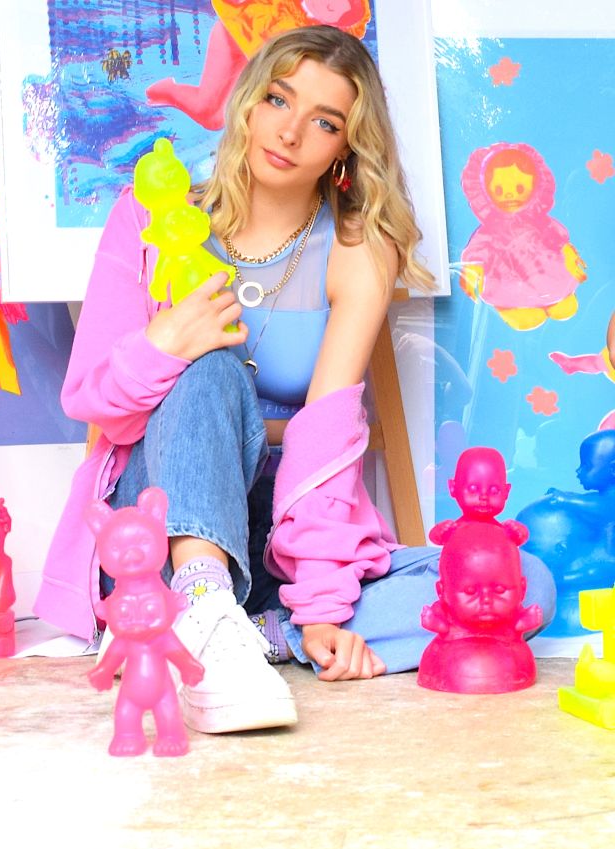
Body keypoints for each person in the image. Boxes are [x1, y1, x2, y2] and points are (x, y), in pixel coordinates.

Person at [35, 26, 556, 734]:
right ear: (249, 102)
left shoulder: (356, 247)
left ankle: (259, 633)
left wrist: (319, 606)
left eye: (325, 122)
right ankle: (201, 599)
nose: (290, 132)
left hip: (285, 526)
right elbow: (93, 401)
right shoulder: (149, 216)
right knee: (208, 365)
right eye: (279, 100)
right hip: (159, 519)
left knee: (513, 583)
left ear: (345, 147)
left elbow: (323, 440)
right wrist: (165, 344)